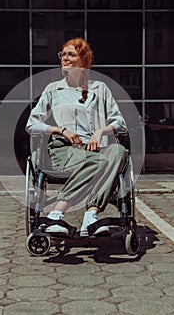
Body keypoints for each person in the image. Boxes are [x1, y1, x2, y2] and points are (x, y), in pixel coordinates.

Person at [26, 37, 128, 237]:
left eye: (70, 54)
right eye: (62, 54)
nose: (65, 58)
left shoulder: (100, 89)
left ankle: (91, 216)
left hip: (95, 149)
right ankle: (57, 214)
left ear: (83, 60)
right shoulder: (53, 89)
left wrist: (100, 132)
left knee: (119, 151)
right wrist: (61, 131)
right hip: (65, 150)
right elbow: (31, 124)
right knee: (101, 161)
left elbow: (119, 123)